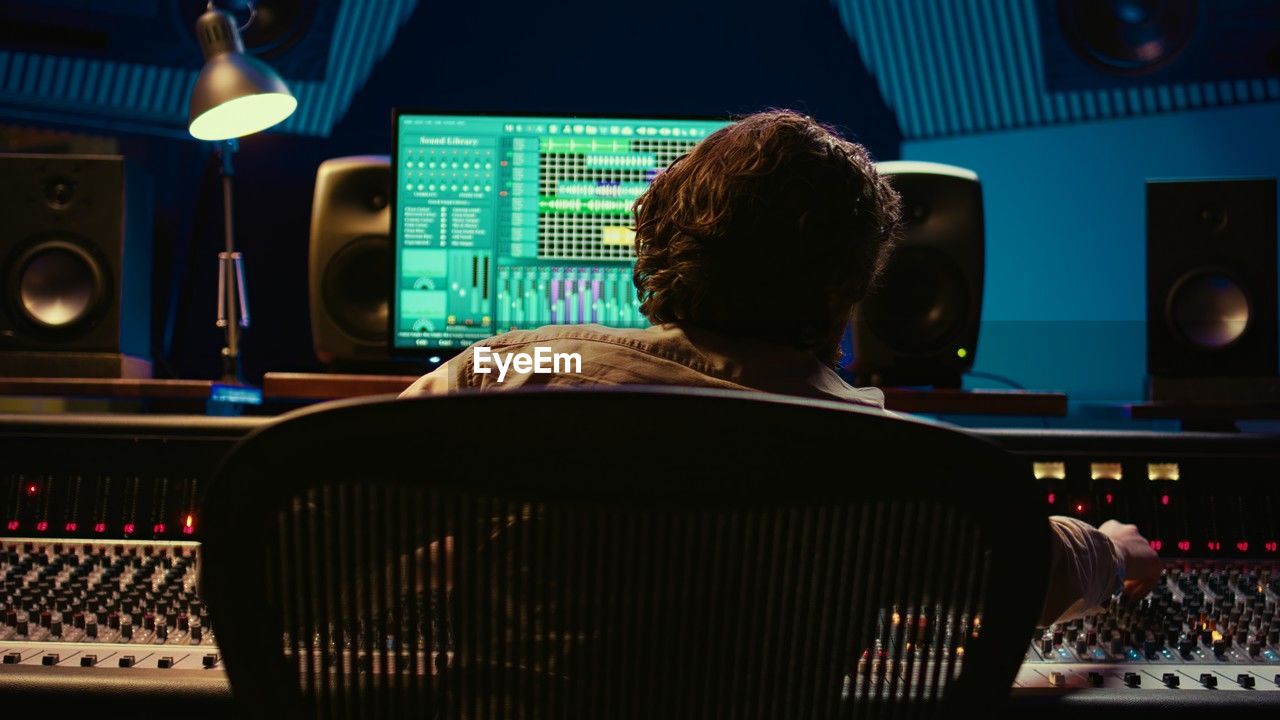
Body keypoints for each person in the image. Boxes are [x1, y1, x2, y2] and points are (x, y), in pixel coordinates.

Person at [402, 109, 1160, 625]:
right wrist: (1111, 553)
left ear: (659, 244)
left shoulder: (509, 374)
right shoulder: (882, 457)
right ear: (852, 283)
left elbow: (319, 517)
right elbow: (1026, 569)